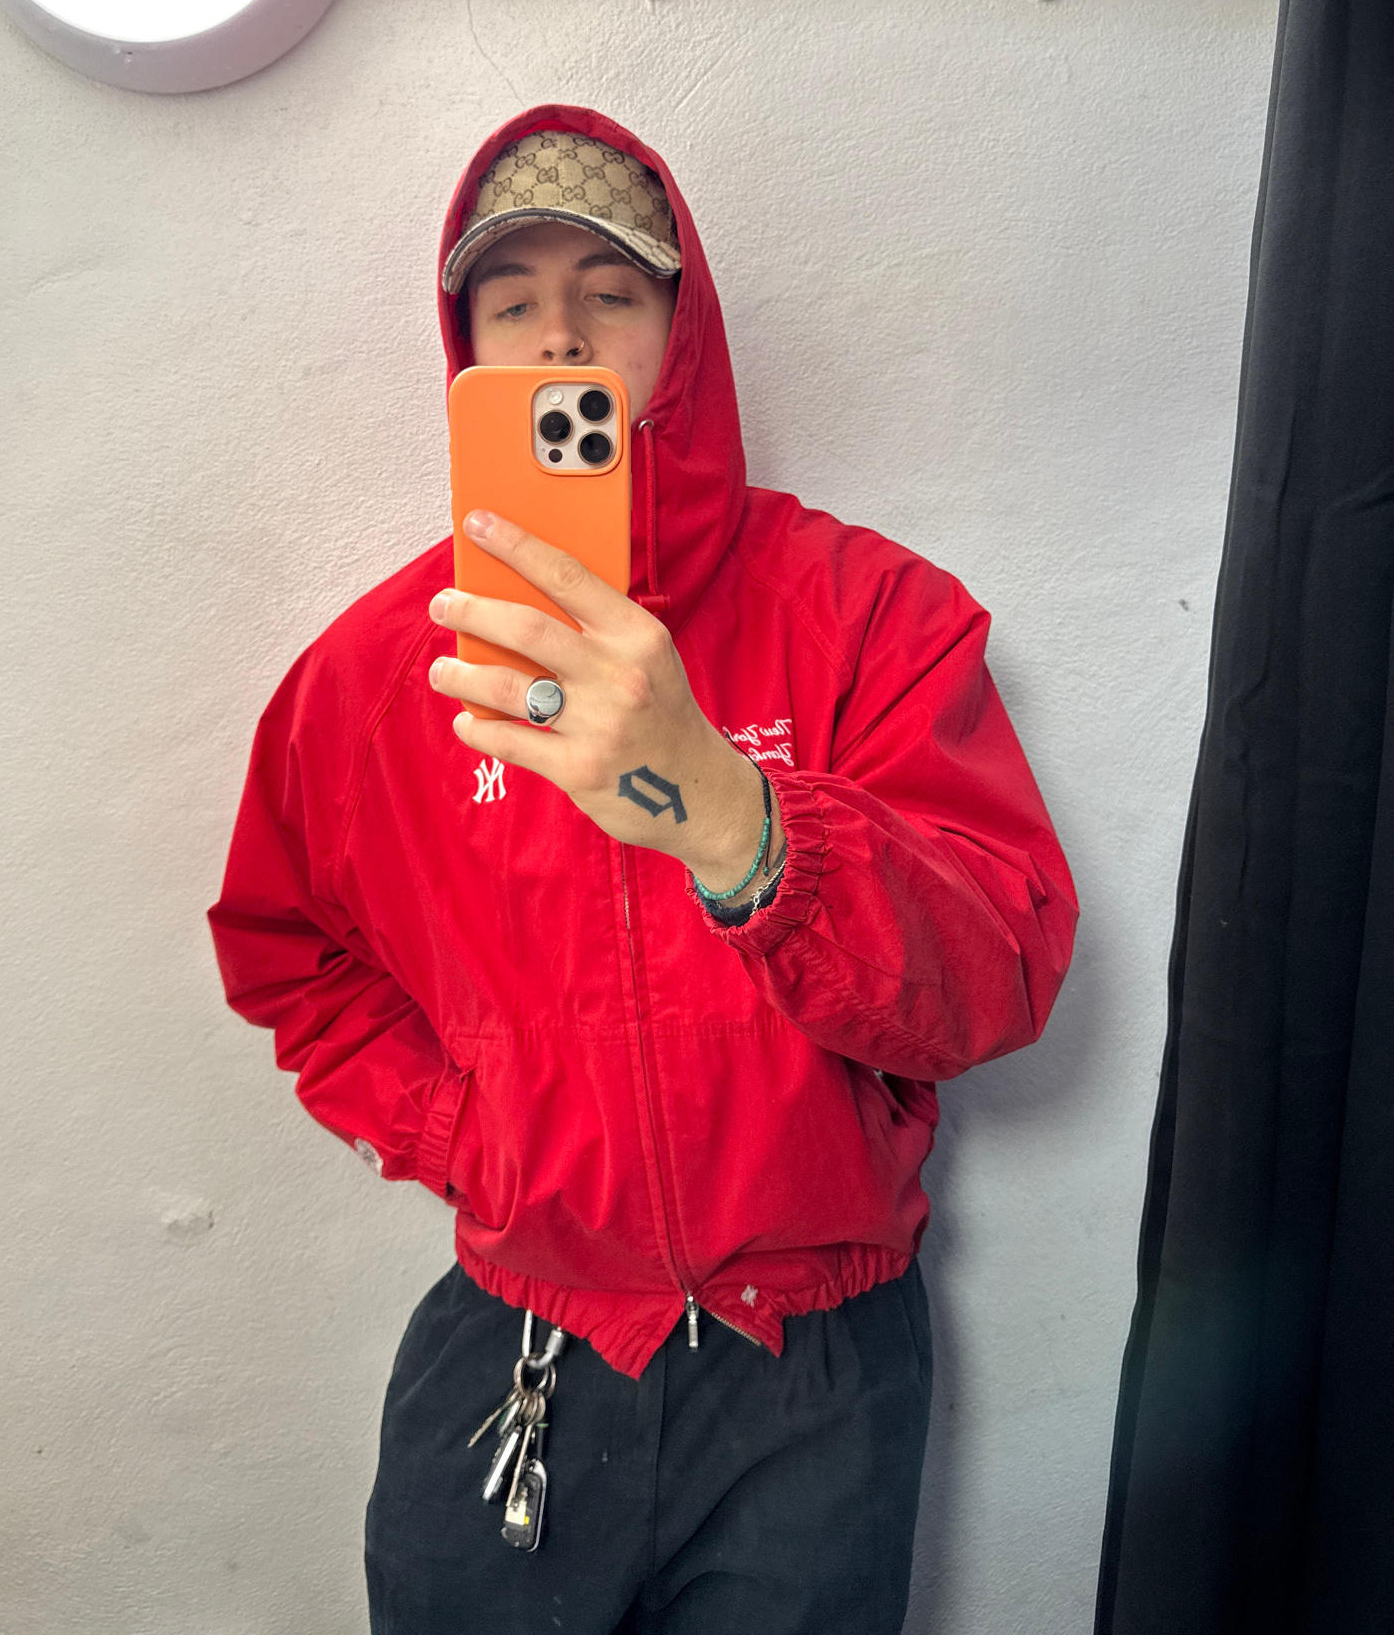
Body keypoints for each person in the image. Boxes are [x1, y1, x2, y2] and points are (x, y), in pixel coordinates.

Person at [208, 105, 1078, 1634]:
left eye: (610, 292)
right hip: (522, 1348)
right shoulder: (376, 678)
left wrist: (737, 815)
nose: (561, 337)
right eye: (512, 303)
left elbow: (996, 977)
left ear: (687, 335)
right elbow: (289, 952)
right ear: (465, 352)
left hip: (818, 1369)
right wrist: (466, 1133)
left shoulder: (868, 614)